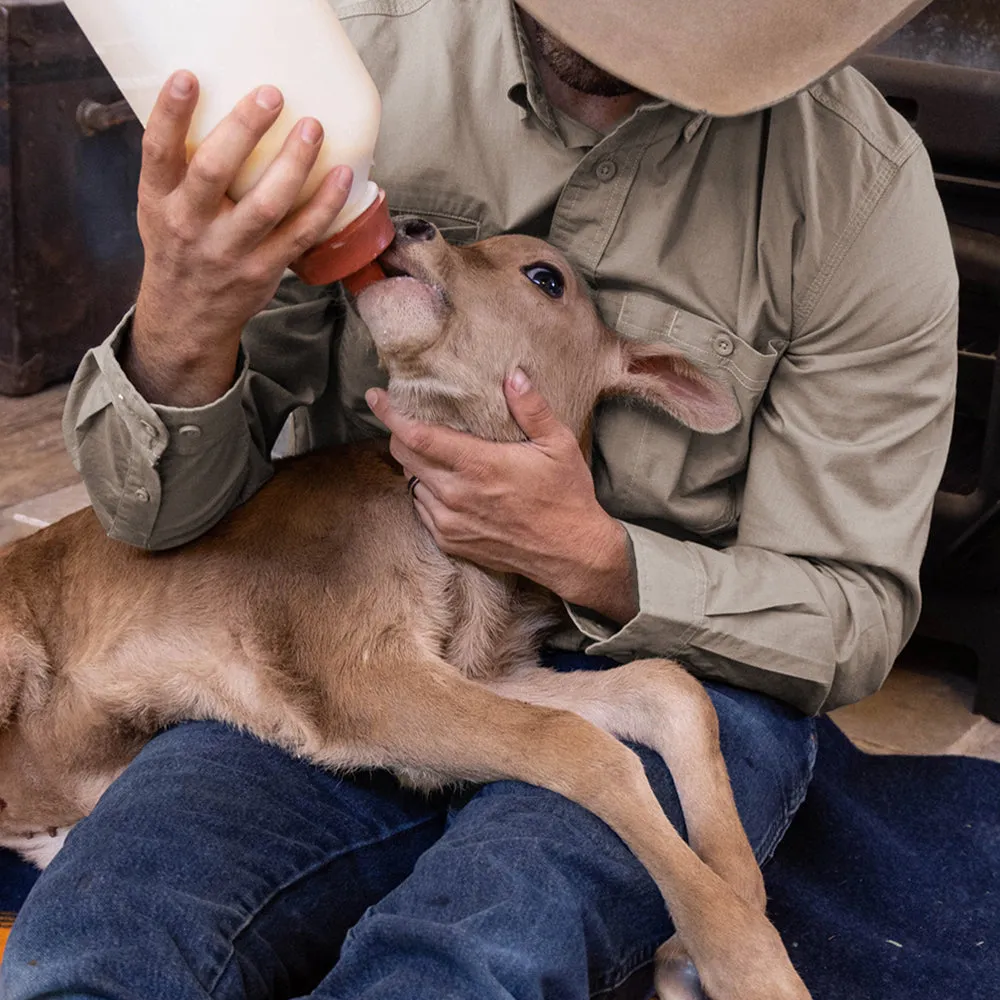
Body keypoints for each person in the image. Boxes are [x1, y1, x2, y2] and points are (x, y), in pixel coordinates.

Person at [3, 1, 957, 998]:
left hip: (671, 662)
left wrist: (595, 557)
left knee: (476, 951)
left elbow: (849, 614)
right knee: (106, 937)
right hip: (336, 619)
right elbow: (161, 519)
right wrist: (179, 327)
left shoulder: (856, 195)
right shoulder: (343, 68)